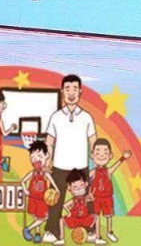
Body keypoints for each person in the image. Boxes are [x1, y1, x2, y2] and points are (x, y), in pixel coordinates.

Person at [43, 74, 96, 244]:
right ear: (62, 92)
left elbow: (93, 141)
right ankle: (52, 231)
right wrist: (48, 160)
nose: (71, 93)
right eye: (67, 89)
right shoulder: (56, 117)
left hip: (81, 166)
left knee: (87, 199)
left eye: (75, 89)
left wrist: (96, 162)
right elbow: (49, 141)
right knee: (55, 200)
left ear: (80, 91)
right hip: (59, 165)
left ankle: (90, 231)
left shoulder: (87, 117)